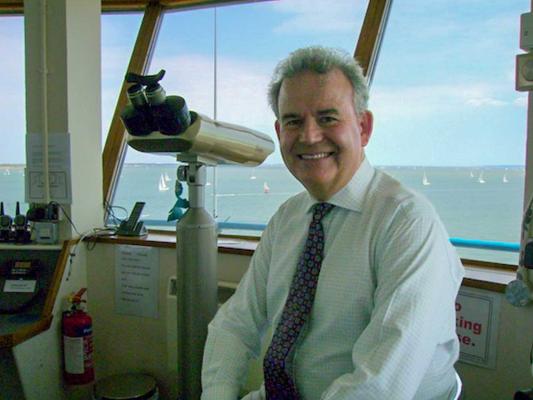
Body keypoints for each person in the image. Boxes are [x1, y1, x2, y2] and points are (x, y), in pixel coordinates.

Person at [201, 46, 464, 400]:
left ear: (363, 126)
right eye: (294, 121)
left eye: (327, 118)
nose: (309, 136)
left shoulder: (407, 225)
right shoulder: (287, 219)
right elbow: (235, 323)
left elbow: (380, 385)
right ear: (280, 131)